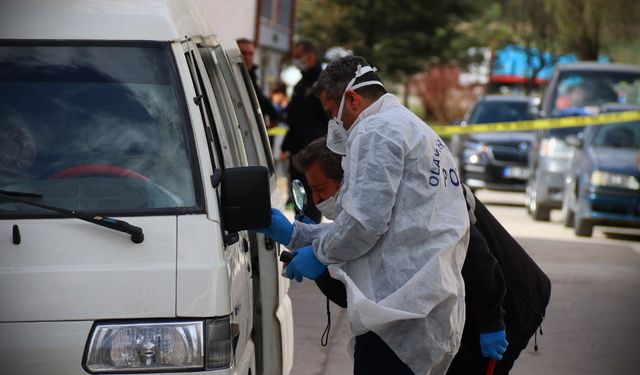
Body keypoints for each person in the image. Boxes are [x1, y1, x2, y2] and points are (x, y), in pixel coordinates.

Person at [258, 56, 470, 375]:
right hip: (420, 304)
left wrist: (318, 254)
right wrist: (298, 235)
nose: (336, 124)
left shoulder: (376, 131)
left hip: (398, 313)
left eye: (333, 114)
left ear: (352, 99)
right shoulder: (410, 127)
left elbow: (363, 224)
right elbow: (384, 224)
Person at [291, 137, 509, 374]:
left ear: (348, 181)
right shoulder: (362, 223)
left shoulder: (411, 213)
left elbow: (479, 264)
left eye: (320, 189)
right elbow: (355, 292)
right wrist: (321, 262)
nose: (316, 201)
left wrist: (491, 323)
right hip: (397, 334)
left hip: (459, 328)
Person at [280, 40, 328, 222]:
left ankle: (311, 239)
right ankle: (302, 234)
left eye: (299, 57)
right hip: (297, 151)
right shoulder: (301, 84)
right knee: (299, 197)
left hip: (316, 151)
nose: (297, 61)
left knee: (313, 198)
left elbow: (327, 118)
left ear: (311, 56)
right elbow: (295, 118)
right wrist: (286, 145)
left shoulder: (323, 83)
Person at [236, 38, 278, 127]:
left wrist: (273, 114)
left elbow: (258, 99)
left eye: (251, 54)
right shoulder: (230, 75)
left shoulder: (252, 76)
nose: (247, 57)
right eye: (243, 52)